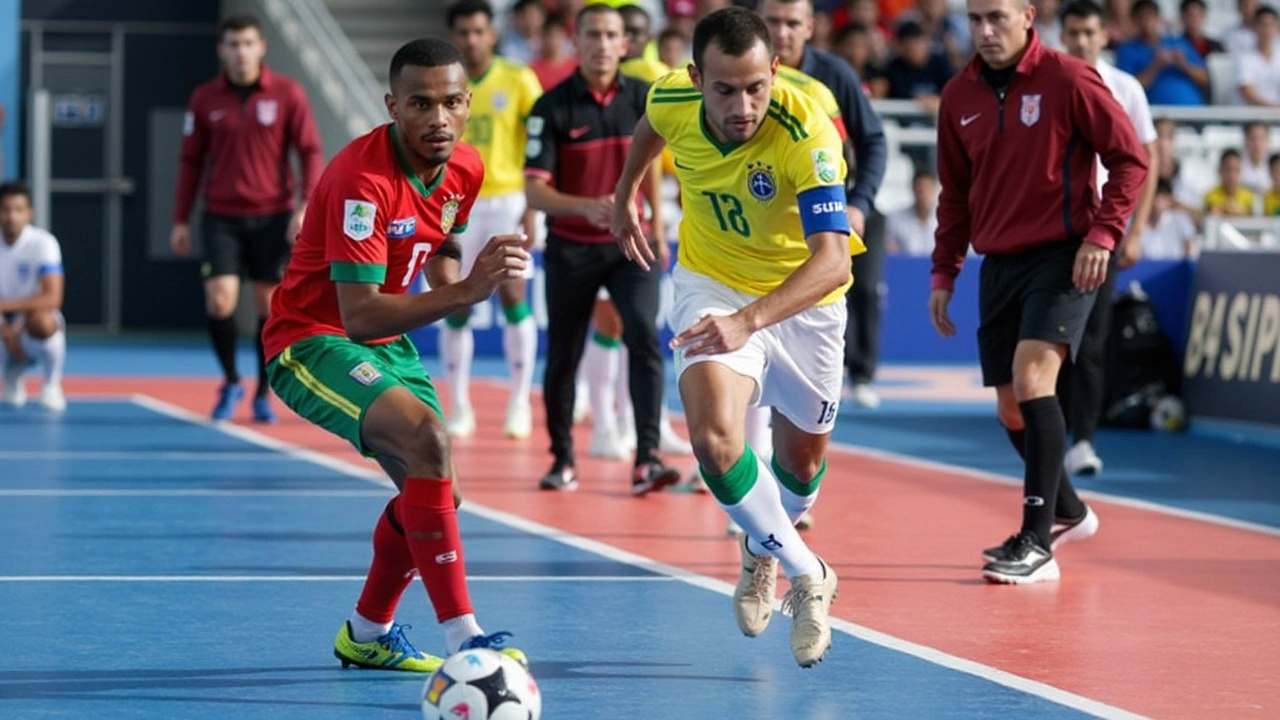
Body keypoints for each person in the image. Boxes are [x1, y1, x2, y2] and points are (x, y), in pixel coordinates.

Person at [261, 38, 529, 672]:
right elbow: (359, 313)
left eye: (452, 102)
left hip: (386, 343)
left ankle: (366, 632)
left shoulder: (464, 166)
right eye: (421, 103)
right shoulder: (363, 182)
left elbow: (441, 244)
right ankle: (465, 638)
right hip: (312, 339)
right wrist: (467, 292)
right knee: (430, 440)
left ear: (467, 104)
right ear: (393, 105)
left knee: (438, 493)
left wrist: (459, 281)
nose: (438, 117)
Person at [612, 7, 859, 667]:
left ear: (775, 70)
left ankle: (761, 548)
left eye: (756, 86)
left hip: (805, 301)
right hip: (710, 283)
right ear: (695, 78)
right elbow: (648, 128)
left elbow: (833, 260)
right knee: (716, 443)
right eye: (724, 89)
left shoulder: (805, 129)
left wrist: (751, 320)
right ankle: (810, 574)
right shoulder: (669, 95)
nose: (743, 104)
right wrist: (624, 194)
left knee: (800, 467)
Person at [930, 0, 1147, 584]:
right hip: (998, 263)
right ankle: (1070, 512)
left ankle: (1036, 541)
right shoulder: (958, 96)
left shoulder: (1070, 77)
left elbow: (1131, 159)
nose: (985, 30)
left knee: (1032, 383)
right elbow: (954, 194)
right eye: (975, 19)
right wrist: (944, 271)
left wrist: (1104, 233)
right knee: (1010, 407)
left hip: (1065, 255)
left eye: (997, 17)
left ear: (1028, 15)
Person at [524, 3, 681, 494]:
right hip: (572, 249)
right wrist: (587, 207)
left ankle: (647, 458)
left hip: (630, 246)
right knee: (563, 355)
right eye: (592, 34)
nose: (601, 43)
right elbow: (533, 192)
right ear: (577, 40)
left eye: (611, 34)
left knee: (644, 342)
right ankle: (562, 460)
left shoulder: (643, 98)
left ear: (626, 44)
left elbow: (651, 165)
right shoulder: (550, 107)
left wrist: (653, 225)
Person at [170, 14, 322, 422]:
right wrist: (180, 219)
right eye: (234, 44)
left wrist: (305, 205)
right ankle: (231, 379)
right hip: (220, 216)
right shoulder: (205, 98)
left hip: (273, 217)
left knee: (268, 308)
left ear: (261, 48)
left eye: (248, 43)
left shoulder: (288, 93)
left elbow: (309, 151)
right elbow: (190, 161)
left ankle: (262, 390)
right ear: (222, 50)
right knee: (220, 302)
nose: (241, 52)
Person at [759, 0, 888, 410]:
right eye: (773, 22)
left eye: (792, 23)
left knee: (861, 286)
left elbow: (873, 141)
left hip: (838, 201)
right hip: (774, 211)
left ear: (810, 27)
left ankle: (861, 373)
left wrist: (860, 203)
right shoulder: (747, 70)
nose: (782, 31)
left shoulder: (835, 75)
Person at [1056, 0, 1159, 477]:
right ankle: (1052, 434)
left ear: (1104, 35)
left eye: (1089, 33)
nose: (1081, 41)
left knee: (1092, 340)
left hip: (1105, 230)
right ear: (1062, 34)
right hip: (1052, 229)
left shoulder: (1126, 88)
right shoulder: (1047, 82)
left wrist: (1134, 229)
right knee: (1051, 338)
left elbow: (1146, 158)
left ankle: (1084, 441)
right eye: (1073, 32)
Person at [443, 0, 543, 440]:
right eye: (463, 32)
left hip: (506, 199)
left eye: (478, 31)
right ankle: (459, 405)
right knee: (455, 300)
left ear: (493, 34)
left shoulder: (518, 78)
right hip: (456, 203)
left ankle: (519, 401)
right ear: (454, 37)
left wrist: (532, 206)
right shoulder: (443, 81)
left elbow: (540, 148)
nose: (471, 40)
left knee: (513, 298)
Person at [0, 181, 66, 412]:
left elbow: (53, 298)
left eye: (18, 210)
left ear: (30, 213)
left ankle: (51, 384)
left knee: (45, 323)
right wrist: (4, 327)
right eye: (6, 209)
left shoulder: (44, 243)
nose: (11, 217)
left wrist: (8, 311)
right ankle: (11, 372)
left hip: (29, 324)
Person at [885, 170, 940, 256]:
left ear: (934, 190)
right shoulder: (896, 220)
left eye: (927, 189)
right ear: (913, 189)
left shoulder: (946, 221)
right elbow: (890, 251)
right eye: (920, 190)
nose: (923, 194)